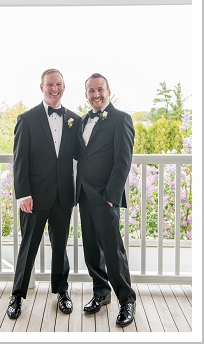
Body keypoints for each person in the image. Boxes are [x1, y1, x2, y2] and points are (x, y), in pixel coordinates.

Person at [6, 69, 81, 320]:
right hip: (34, 198)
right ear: (42, 87)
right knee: (28, 247)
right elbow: (20, 161)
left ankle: (62, 291)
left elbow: (83, 155)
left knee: (60, 247)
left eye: (59, 84)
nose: (55, 88)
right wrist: (23, 194)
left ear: (64, 86)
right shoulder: (26, 119)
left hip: (63, 197)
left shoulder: (75, 120)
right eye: (50, 84)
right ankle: (16, 295)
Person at [76, 73, 136, 327]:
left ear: (109, 90)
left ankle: (127, 300)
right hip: (84, 196)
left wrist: (111, 198)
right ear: (86, 94)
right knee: (91, 249)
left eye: (100, 89)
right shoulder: (80, 121)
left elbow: (123, 162)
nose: (96, 95)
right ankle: (101, 293)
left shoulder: (121, 119)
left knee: (113, 251)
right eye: (91, 91)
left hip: (105, 198)